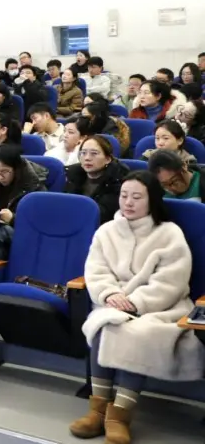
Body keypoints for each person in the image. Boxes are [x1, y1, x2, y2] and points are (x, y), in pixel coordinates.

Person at [70, 171, 202, 444]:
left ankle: (119, 415)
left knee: (138, 333)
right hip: (113, 302)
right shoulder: (106, 231)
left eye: (137, 197)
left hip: (162, 308)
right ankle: (98, 410)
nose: (128, 202)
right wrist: (109, 294)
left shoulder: (169, 233)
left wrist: (136, 303)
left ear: (151, 199)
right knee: (104, 324)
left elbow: (171, 282)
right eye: (124, 196)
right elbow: (96, 271)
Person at [0, 145, 45, 259]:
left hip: (23, 238)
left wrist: (13, 219)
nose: (0, 177)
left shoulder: (35, 187)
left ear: (16, 169)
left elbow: (41, 223)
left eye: (5, 171)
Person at [65, 136, 129, 224]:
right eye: (83, 153)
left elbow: (105, 214)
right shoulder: (72, 176)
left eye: (94, 153)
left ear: (108, 159)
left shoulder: (117, 181)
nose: (87, 158)